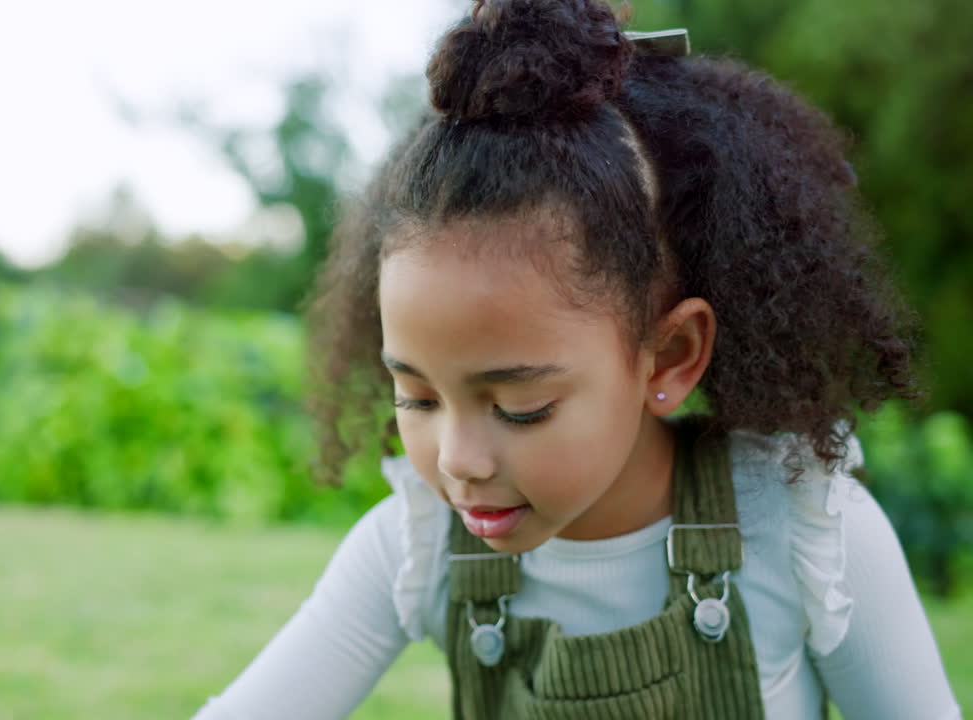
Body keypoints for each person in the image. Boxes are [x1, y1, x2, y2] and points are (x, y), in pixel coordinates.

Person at [193, 0, 962, 717]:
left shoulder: (802, 532)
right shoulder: (418, 546)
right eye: (418, 398)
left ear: (671, 355)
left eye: (520, 406)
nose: (458, 460)